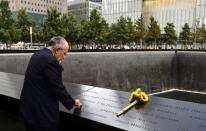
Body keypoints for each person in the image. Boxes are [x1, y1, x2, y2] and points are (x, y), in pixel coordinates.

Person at [20, 36, 82, 131]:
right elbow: (58, 88)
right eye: (64, 53)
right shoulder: (50, 61)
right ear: (57, 50)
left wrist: (58, 62)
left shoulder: (37, 54)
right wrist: (73, 103)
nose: (64, 57)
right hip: (41, 116)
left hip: (29, 110)